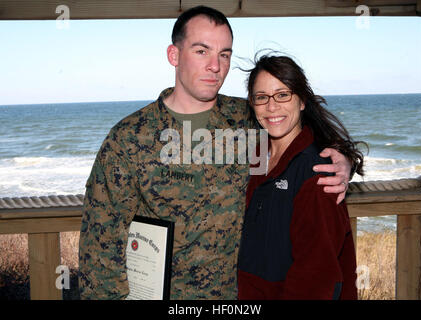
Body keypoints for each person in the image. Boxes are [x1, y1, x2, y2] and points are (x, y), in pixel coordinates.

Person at [78, 6, 354, 300]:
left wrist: (342, 159)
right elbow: (100, 247)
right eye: (202, 51)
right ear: (174, 55)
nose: (215, 65)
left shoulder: (245, 118)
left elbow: (297, 125)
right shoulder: (130, 138)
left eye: (224, 54)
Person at [237, 54, 365, 300]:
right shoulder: (254, 155)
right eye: (261, 97)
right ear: (252, 104)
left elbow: (317, 279)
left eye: (283, 94)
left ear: (302, 101)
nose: (272, 106)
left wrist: (344, 159)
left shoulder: (319, 175)